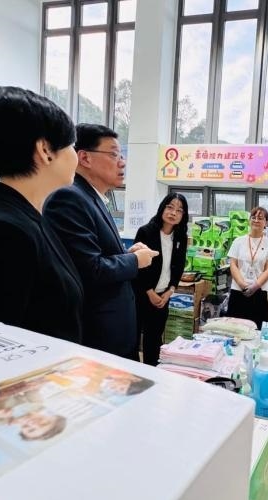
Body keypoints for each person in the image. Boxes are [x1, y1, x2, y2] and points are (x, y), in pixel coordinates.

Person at [0, 86, 84, 343]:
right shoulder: (3, 229)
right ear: (45, 150)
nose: (75, 156)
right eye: (72, 145)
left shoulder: (24, 216)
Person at [44, 124, 158, 359]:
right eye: (114, 154)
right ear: (85, 157)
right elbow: (90, 269)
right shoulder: (69, 198)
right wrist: (135, 261)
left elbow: (99, 253)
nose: (122, 163)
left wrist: (128, 253)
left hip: (113, 329)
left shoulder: (93, 198)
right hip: (96, 335)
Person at [133, 194, 189, 365]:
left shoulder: (180, 236)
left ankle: (151, 372)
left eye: (179, 210)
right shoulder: (146, 231)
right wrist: (149, 292)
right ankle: (132, 372)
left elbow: (179, 265)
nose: (173, 213)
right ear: (162, 208)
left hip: (163, 296)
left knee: (154, 339)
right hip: (141, 294)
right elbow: (138, 266)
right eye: (170, 207)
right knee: (133, 337)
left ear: (183, 215)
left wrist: (170, 291)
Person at [226, 206, 268, 329]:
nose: (256, 220)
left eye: (260, 218)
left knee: (256, 329)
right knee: (234, 329)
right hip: (238, 291)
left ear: (265, 223)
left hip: (259, 292)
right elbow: (233, 264)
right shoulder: (238, 241)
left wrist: (255, 286)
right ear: (249, 220)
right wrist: (242, 284)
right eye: (253, 217)